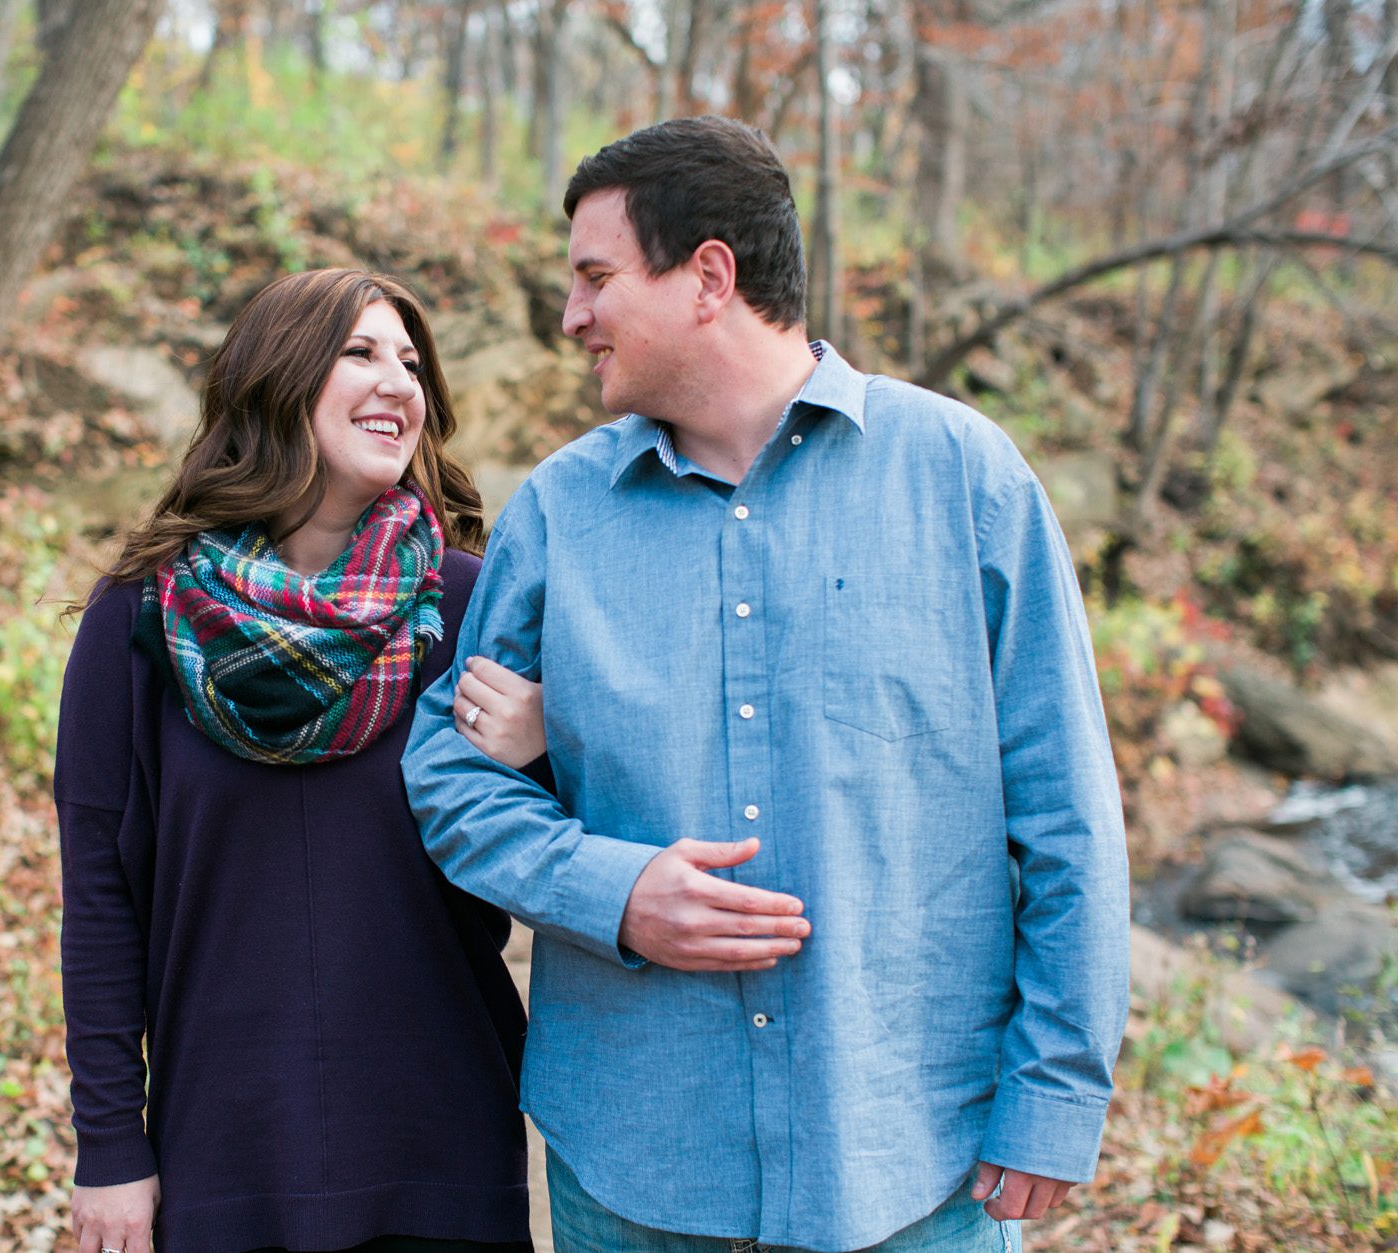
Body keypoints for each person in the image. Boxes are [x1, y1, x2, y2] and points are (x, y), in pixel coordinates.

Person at [405, 116, 1130, 1253]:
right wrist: (614, 888)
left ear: (706, 276)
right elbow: (448, 775)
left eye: (594, 278)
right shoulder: (556, 513)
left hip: (906, 1162)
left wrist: (1052, 1091)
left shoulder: (962, 479)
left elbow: (1066, 813)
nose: (569, 316)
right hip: (636, 1160)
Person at [56, 268, 547, 1253]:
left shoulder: (471, 607)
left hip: (440, 1142)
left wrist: (549, 746)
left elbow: (564, 858)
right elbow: (101, 896)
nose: (399, 383)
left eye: (410, 362)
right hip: (222, 1146)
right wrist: (110, 1144)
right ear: (276, 377)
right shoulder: (139, 615)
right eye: (359, 352)